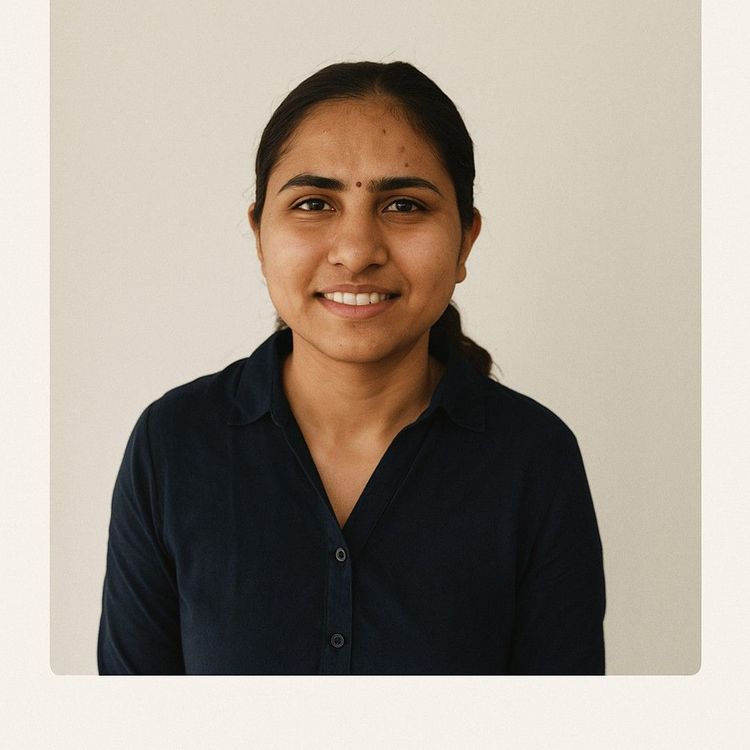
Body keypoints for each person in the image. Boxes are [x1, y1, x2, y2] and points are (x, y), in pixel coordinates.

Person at [98, 61, 605, 675]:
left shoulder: (535, 458)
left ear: (465, 241)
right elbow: (126, 717)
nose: (357, 251)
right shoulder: (174, 445)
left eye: (404, 205)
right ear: (259, 235)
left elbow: (565, 720)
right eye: (314, 203)